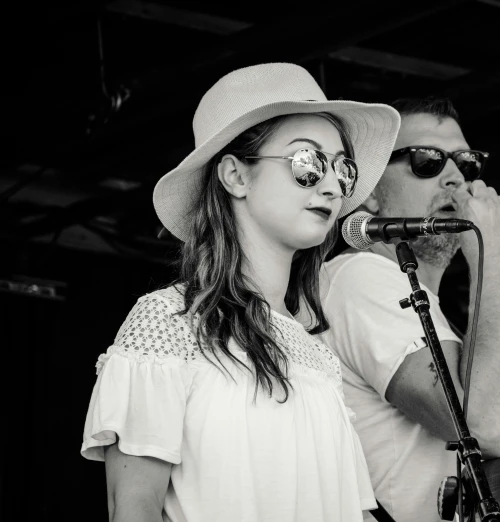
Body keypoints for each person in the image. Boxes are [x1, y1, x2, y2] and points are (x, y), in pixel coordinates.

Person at [80, 63, 401, 522]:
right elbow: (134, 507)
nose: (332, 185)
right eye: (307, 163)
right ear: (235, 175)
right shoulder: (168, 321)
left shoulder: (318, 359)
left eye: (342, 168)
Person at [318, 97, 500, 522]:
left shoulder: (419, 301)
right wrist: (494, 259)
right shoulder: (362, 277)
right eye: (427, 161)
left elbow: (478, 443)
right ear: (370, 195)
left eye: (467, 163)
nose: (456, 177)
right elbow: (485, 428)